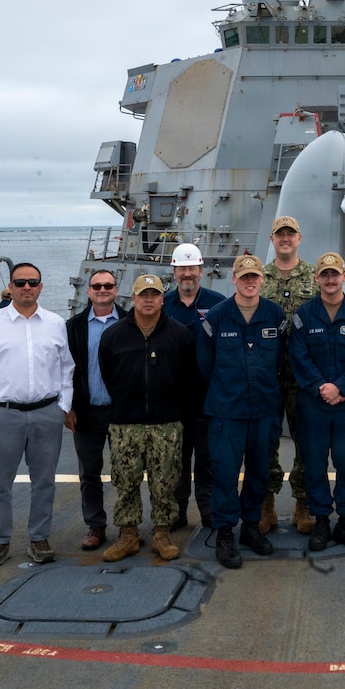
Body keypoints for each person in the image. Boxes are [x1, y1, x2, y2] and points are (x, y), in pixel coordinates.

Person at [0, 262, 73, 567]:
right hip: (3, 415)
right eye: (20, 282)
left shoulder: (55, 323)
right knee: (0, 484)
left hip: (46, 413)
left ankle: (39, 539)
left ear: (40, 287)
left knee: (44, 481)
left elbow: (66, 368)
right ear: (11, 287)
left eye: (32, 282)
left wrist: (63, 406)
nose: (27, 287)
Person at [98, 273, 202, 562]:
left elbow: (189, 377)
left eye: (154, 294)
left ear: (161, 299)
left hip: (167, 424)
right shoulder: (113, 335)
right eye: (143, 294)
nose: (148, 299)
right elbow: (109, 375)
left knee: (165, 482)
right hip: (125, 424)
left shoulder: (179, 334)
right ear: (132, 299)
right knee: (125, 481)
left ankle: (162, 534)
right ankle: (128, 536)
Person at [200, 255, 287, 569]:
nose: (250, 282)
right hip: (227, 410)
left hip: (263, 408)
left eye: (255, 277)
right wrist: (228, 389)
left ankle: (251, 525)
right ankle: (225, 531)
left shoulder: (274, 314)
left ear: (261, 279)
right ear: (234, 279)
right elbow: (204, 364)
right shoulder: (217, 317)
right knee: (224, 471)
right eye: (244, 277)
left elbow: (279, 359)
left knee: (259, 471)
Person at [289, 252, 345, 554]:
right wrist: (321, 388)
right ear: (316, 278)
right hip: (314, 405)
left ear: (344, 277)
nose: (329, 279)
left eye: (334, 274)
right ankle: (322, 518)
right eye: (324, 274)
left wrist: (339, 387)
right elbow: (299, 357)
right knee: (314, 465)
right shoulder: (303, 316)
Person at [261, 216, 317, 534]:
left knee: (305, 440)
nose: (285, 238)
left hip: (301, 375)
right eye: (280, 234)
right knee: (266, 440)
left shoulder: (313, 276)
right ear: (272, 239)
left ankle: (302, 504)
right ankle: (266, 503)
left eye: (290, 234)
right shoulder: (260, 277)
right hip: (268, 375)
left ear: (299, 238)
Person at [163, 243, 224, 530]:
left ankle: (209, 511)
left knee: (207, 458)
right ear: (174, 272)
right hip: (173, 397)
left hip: (208, 395)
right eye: (181, 269)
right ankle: (177, 513)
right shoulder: (162, 305)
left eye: (192, 268)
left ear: (201, 271)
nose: (187, 274)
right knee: (176, 459)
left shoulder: (219, 303)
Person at [65, 270, 126, 549]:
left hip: (122, 412)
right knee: (89, 473)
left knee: (127, 471)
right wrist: (68, 408)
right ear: (89, 291)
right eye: (97, 286)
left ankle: (128, 525)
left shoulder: (130, 322)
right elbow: (65, 371)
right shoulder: (73, 327)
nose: (103, 289)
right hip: (87, 411)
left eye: (108, 285)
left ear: (116, 289)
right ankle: (96, 526)